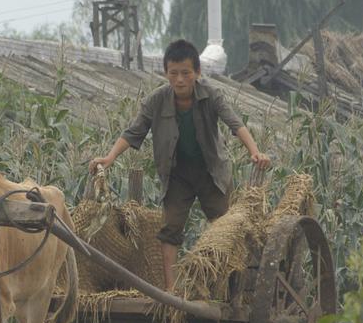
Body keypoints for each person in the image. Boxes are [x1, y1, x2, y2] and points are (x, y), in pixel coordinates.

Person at [89, 39, 270, 290]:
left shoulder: (211, 95)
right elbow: (133, 133)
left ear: (197, 73)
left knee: (225, 225)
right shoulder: (156, 101)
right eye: (173, 74)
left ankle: (233, 285)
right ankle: (171, 290)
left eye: (186, 73)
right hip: (177, 175)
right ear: (166, 74)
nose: (180, 80)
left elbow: (235, 124)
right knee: (170, 228)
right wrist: (108, 159)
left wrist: (255, 152)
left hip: (211, 172)